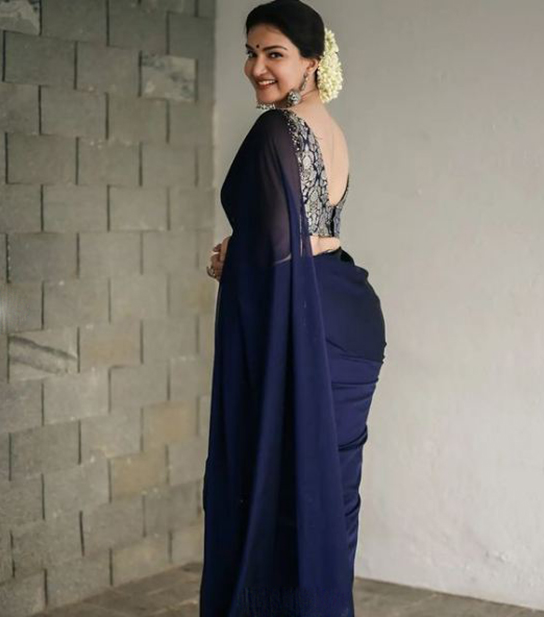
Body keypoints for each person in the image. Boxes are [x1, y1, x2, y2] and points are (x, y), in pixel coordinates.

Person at [200, 1, 387, 615]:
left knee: (284, 495)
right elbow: (314, 235)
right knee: (329, 494)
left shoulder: (278, 129)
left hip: (307, 319)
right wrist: (250, 245)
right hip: (347, 311)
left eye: (273, 54)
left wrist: (237, 256)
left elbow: (279, 251)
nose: (257, 67)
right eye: (251, 52)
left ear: (312, 62)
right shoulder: (333, 130)